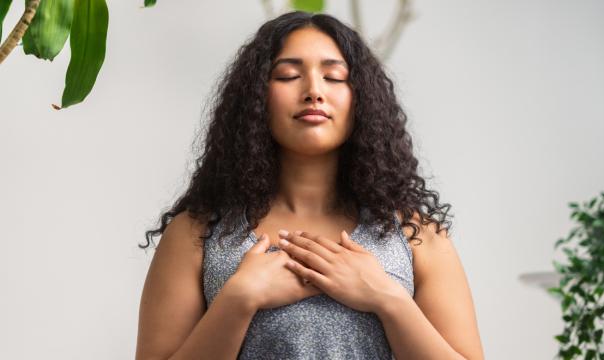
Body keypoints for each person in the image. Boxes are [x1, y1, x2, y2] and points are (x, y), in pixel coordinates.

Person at [136, 11, 484, 360]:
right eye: (288, 75)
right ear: (255, 97)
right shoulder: (196, 233)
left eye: (334, 77)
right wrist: (238, 299)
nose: (314, 91)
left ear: (361, 98)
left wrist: (385, 297)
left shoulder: (416, 234)